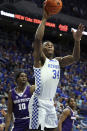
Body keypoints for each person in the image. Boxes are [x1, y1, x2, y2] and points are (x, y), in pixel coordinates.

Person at [29, 5, 84, 131]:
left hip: (49, 103)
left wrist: (77, 40)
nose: (49, 45)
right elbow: (38, 39)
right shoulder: (40, 59)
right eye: (46, 45)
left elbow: (75, 57)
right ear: (41, 49)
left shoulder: (57, 61)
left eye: (51, 45)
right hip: (38, 101)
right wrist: (44, 18)